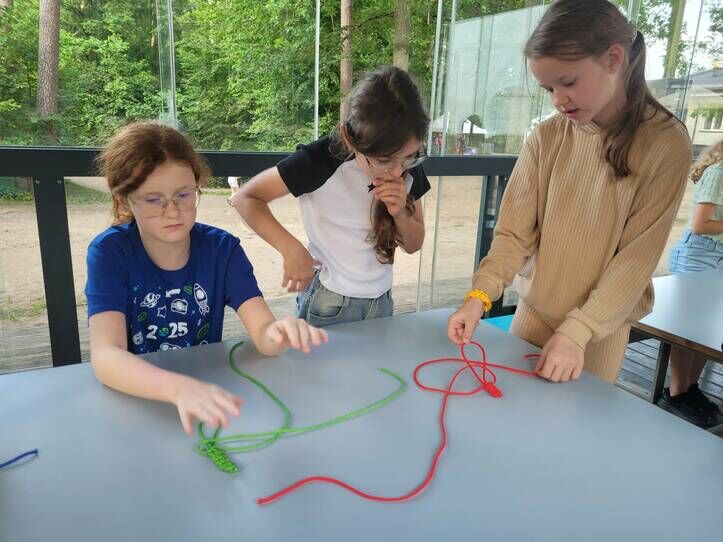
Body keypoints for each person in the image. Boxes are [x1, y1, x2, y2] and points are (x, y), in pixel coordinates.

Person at [447, 0, 692, 385]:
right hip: (534, 313)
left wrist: (578, 331)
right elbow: (513, 235)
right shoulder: (546, 135)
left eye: (568, 82)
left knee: (574, 422)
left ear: (613, 59)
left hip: (598, 331)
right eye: (549, 88)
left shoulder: (665, 142)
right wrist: (479, 296)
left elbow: (635, 260)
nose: (558, 99)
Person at [85, 122, 327, 435]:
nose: (173, 211)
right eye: (153, 199)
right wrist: (177, 389)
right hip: (137, 400)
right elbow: (106, 356)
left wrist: (279, 333)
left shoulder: (222, 250)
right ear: (125, 198)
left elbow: (263, 332)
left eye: (184, 195)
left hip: (205, 399)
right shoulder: (110, 252)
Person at [230, 66, 430, 327]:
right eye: (383, 160)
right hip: (328, 300)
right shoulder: (323, 159)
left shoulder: (408, 166)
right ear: (350, 138)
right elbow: (246, 199)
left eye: (408, 157)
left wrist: (400, 212)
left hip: (382, 299)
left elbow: (414, 244)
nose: (395, 171)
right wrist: (291, 249)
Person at [658, 139, 723, 427]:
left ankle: (690, 389)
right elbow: (699, 225)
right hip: (698, 254)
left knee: (705, 331)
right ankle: (676, 394)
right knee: (687, 331)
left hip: (716, 256)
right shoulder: (719, 172)